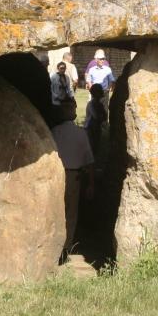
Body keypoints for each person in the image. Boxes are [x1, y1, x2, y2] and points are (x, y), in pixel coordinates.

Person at [51, 100, 95, 257]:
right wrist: (91, 184)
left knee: (57, 210)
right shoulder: (81, 133)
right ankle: (67, 245)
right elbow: (89, 161)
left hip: (56, 175)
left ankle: (54, 245)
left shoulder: (54, 131)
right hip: (74, 177)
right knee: (71, 212)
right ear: (71, 111)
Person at [84, 83, 107, 157]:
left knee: (96, 145)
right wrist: (101, 117)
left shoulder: (100, 104)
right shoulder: (91, 104)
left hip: (97, 127)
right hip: (89, 128)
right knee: (91, 146)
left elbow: (104, 116)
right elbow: (95, 116)